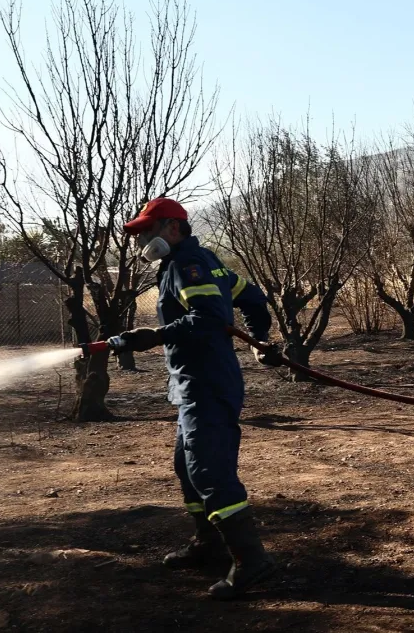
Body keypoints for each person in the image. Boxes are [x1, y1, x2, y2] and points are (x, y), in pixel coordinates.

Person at [110, 197, 284, 599]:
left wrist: (155, 335)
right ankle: (209, 544)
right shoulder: (201, 261)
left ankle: (252, 561)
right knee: (186, 467)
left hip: (207, 382)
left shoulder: (190, 264)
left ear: (172, 228)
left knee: (208, 470)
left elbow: (207, 318)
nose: (142, 241)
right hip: (192, 383)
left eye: (147, 231)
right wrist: (260, 338)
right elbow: (251, 296)